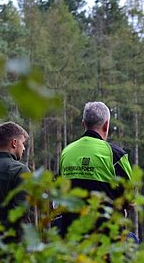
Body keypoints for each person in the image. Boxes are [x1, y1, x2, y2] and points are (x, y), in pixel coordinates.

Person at [56, 101, 134, 235]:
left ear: (83, 124)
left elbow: (58, 194)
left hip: (72, 239)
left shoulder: (66, 152)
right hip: (107, 240)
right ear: (106, 125)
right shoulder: (116, 155)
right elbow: (131, 200)